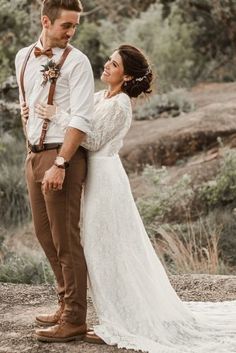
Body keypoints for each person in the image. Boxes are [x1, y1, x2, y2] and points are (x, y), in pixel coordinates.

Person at [31, 44, 236, 352]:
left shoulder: (120, 105)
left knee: (107, 249)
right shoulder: (102, 97)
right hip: (95, 177)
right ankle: (98, 312)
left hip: (106, 179)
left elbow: (96, 139)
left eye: (112, 65)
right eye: (109, 61)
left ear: (125, 76)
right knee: (101, 246)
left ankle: (120, 322)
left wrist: (58, 116)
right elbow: (80, 115)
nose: (106, 66)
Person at [15, 0, 94, 342]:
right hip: (34, 156)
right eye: (66, 25)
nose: (71, 32)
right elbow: (26, 107)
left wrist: (61, 162)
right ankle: (64, 304)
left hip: (63, 158)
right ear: (46, 21)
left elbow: (81, 118)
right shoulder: (22, 58)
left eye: (75, 25)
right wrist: (30, 151)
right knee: (45, 236)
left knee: (66, 240)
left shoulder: (76, 61)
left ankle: (75, 318)